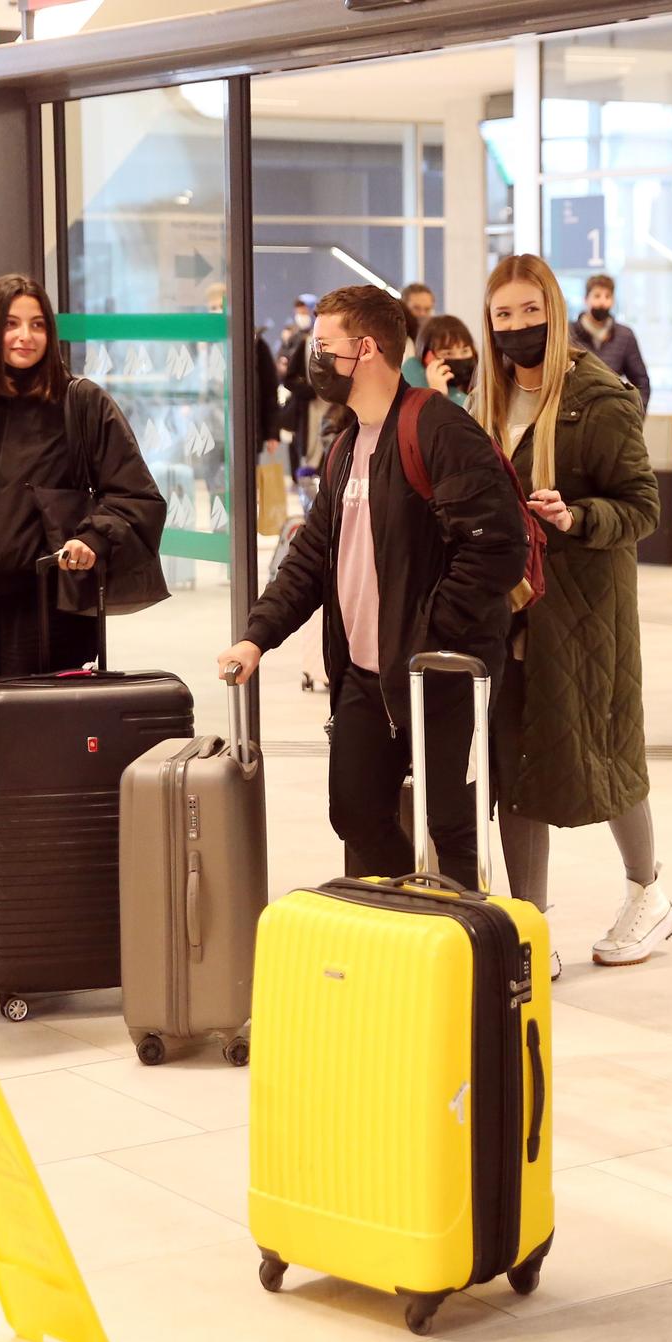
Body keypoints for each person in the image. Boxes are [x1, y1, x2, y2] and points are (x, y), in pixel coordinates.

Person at [217, 285, 525, 891]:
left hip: (440, 671)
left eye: (323, 346)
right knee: (354, 811)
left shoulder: (440, 430)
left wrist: (431, 631)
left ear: (364, 349)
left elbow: (498, 547)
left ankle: (466, 959)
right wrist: (257, 637)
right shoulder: (346, 446)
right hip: (364, 675)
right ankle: (407, 920)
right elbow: (310, 560)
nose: (314, 360)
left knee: (454, 828)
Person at [0, 274, 167, 966]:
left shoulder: (80, 404)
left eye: (36, 323)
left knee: (37, 770)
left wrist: (94, 535)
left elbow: (137, 496)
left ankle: (33, 911)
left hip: (46, 616)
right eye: (11, 324)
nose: (26, 336)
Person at [475, 253, 666, 973]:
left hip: (585, 610)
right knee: (519, 758)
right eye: (504, 314)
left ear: (556, 313)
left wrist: (578, 515)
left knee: (604, 751)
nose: (518, 326)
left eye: (530, 311)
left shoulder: (600, 396)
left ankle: (648, 893)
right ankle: (531, 921)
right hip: (509, 611)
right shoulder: (486, 400)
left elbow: (642, 507)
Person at [570, 273, 651, 411]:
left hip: (611, 415)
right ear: (586, 299)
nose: (602, 302)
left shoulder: (625, 336)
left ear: (613, 301)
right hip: (574, 416)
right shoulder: (569, 333)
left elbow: (641, 382)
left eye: (607, 296)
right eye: (597, 296)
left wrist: (635, 416)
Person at [402, 314, 480, 408]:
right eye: (448, 353)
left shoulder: (481, 382)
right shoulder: (412, 376)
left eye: (465, 351)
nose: (459, 358)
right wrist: (438, 394)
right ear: (429, 358)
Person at [278, 292, 318, 471]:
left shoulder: (315, 336)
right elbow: (287, 373)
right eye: (298, 312)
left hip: (321, 406)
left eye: (304, 311)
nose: (301, 316)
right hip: (302, 403)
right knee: (299, 443)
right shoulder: (296, 338)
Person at [400, 281, 436, 350]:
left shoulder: (434, 340)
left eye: (427, 309)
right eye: (416, 308)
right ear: (403, 307)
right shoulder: (395, 338)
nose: (422, 314)